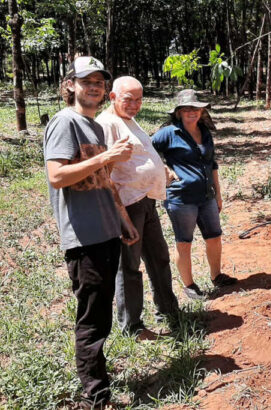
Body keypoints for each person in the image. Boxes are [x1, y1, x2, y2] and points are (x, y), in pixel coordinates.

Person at [43, 56, 137, 407]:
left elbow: (102, 179)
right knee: (92, 319)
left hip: (106, 231)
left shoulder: (95, 127)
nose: (94, 87)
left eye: (99, 82)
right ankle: (95, 397)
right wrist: (104, 157)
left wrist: (121, 218)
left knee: (101, 313)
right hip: (83, 237)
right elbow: (56, 176)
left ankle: (99, 381)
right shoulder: (64, 122)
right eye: (87, 81)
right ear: (70, 85)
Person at [96, 76, 180, 341]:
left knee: (159, 257)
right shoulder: (106, 124)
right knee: (129, 266)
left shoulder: (127, 119)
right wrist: (121, 217)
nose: (134, 105)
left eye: (139, 100)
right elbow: (104, 171)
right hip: (128, 205)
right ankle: (131, 325)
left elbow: (140, 153)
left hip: (146, 200)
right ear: (112, 97)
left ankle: (168, 310)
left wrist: (161, 168)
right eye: (128, 99)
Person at [152, 89, 236, 300]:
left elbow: (212, 163)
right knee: (184, 242)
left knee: (214, 237)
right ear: (179, 112)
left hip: (206, 196)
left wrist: (218, 193)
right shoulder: (169, 133)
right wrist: (163, 168)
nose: (192, 112)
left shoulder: (204, 132)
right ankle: (189, 285)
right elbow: (147, 151)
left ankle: (216, 276)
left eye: (196, 108)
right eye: (186, 108)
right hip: (181, 198)